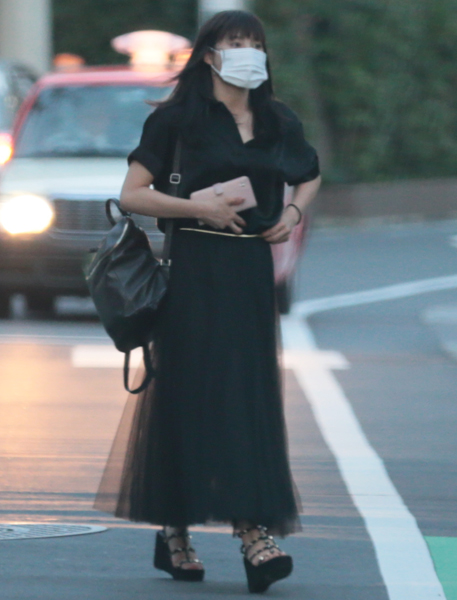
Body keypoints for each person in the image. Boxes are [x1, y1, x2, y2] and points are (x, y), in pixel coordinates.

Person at [94, 9, 321, 593]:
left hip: (248, 272)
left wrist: (291, 214)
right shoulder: (178, 120)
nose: (248, 51)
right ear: (210, 55)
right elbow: (132, 195)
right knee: (192, 394)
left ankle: (252, 533)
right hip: (193, 267)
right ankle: (178, 531)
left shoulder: (276, 119)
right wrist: (201, 207)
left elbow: (310, 173)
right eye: (234, 42)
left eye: (255, 42)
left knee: (247, 394)